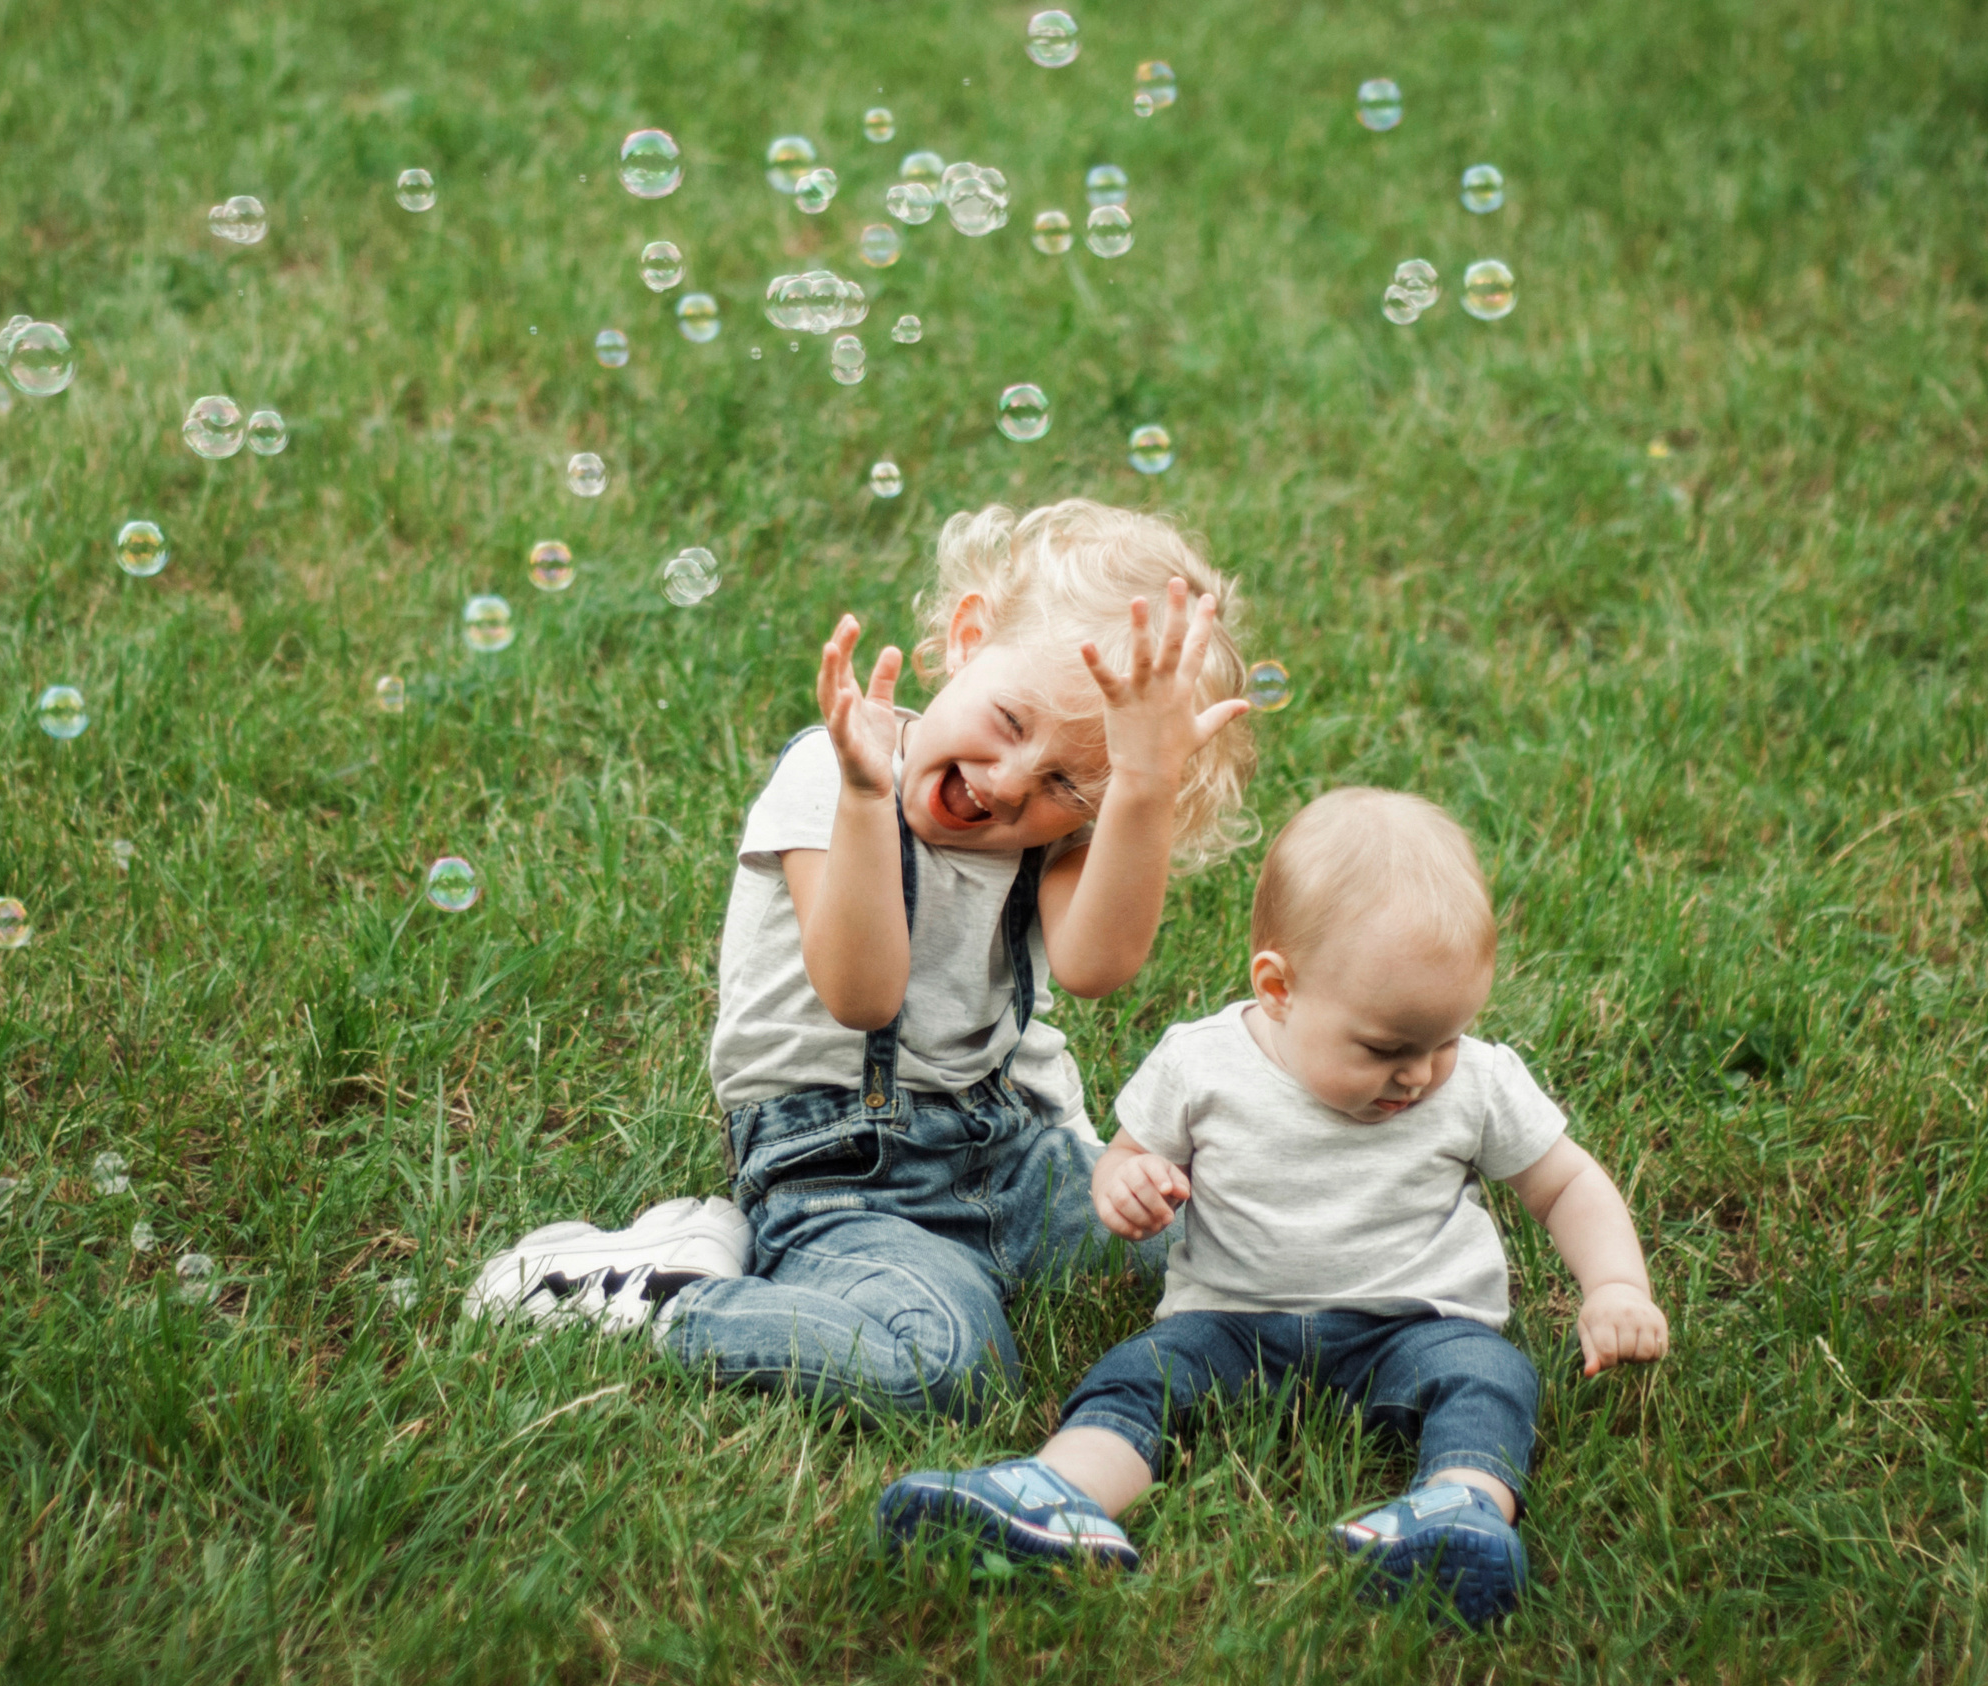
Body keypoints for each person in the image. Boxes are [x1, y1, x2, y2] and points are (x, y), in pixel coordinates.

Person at [461, 501, 1259, 1420]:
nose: (1009, 783)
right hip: (841, 1172)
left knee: (1237, 1242)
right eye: (1009, 721)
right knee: (945, 1366)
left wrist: (1143, 785)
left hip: (1005, 1155)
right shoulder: (832, 773)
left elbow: (1095, 964)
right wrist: (864, 798)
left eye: (1067, 781)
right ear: (967, 638)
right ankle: (664, 1295)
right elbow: (861, 992)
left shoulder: (1067, 832)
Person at [875, 788, 1670, 1625]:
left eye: (1444, 1039)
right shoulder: (1202, 1063)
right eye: (1385, 1047)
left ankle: (1457, 1511)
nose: (1419, 1073)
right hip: (1229, 1322)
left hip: (1416, 1325)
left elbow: (1566, 1182)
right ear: (1278, 987)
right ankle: (1055, 1492)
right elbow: (1129, 1154)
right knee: (1138, 1377)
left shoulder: (1475, 1080)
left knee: (1491, 1378)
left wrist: (1615, 1285)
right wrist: (1125, 1186)